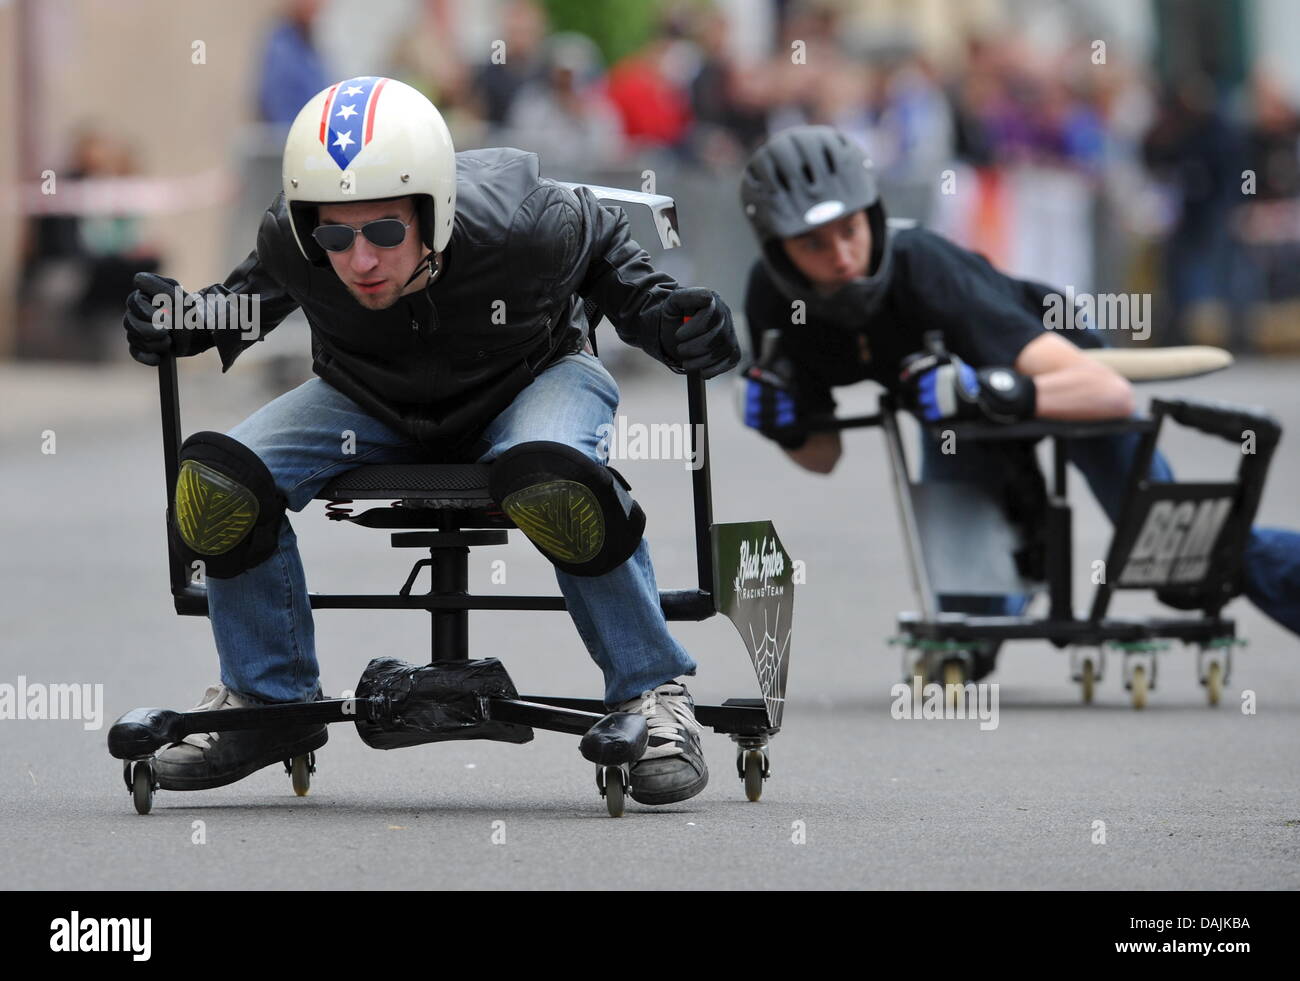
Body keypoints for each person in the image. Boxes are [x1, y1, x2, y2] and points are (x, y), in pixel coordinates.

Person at [121, 77, 740, 805]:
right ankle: (268, 704)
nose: (360, 261)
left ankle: (652, 696)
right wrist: (183, 318)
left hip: (533, 379)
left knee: (554, 478)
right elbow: (242, 304)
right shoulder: (293, 242)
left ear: (433, 211)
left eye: (384, 231)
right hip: (369, 398)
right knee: (218, 481)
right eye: (335, 235)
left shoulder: (527, 224)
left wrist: (670, 319)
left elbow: (618, 269)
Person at [738, 125, 1300, 678]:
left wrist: (996, 391)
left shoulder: (926, 268)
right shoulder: (774, 302)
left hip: (1058, 376)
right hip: (961, 416)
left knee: (1184, 561)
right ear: (778, 251)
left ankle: (1033, 525)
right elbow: (823, 456)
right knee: (971, 623)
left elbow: (1108, 391)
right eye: (813, 243)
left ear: (873, 214)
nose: (842, 257)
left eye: (850, 230)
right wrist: (786, 430)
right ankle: (1023, 542)